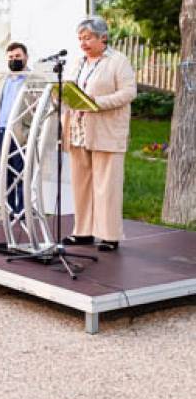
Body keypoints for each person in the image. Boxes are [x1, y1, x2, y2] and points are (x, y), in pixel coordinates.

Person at [61, 16, 137, 252]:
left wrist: (96, 102)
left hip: (106, 131)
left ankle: (109, 235)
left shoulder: (117, 61)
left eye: (88, 38)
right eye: (80, 39)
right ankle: (83, 232)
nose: (83, 43)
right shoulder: (78, 62)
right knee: (81, 184)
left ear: (103, 37)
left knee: (107, 186)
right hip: (78, 130)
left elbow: (129, 93)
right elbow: (70, 88)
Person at [0, 42, 32, 216]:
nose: (14, 59)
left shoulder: (33, 80)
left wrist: (30, 133)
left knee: (21, 174)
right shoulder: (0, 79)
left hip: (19, 135)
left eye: (18, 56)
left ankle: (23, 212)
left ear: (26, 57)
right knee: (4, 176)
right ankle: (9, 212)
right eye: (11, 57)